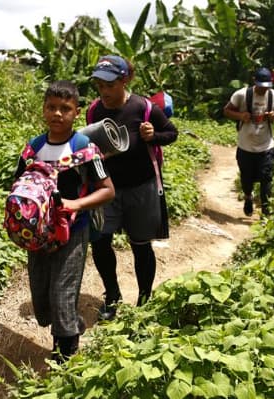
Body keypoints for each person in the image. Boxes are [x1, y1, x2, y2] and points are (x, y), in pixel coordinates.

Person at [12, 80, 115, 362]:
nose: (58, 114)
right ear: (44, 110)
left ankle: (65, 356)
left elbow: (108, 190)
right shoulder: (33, 148)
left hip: (73, 232)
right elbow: (18, 186)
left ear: (77, 112)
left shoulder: (83, 147)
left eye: (65, 109)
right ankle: (67, 329)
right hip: (38, 237)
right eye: (52, 107)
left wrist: (74, 205)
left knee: (62, 294)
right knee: (42, 298)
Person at [86, 55, 178, 321]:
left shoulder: (145, 108)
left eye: (110, 85)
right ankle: (112, 296)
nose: (104, 92)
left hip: (142, 186)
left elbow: (172, 133)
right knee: (101, 241)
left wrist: (154, 136)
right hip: (107, 187)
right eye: (100, 86)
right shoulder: (94, 110)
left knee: (140, 245)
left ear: (125, 80)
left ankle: (144, 300)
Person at [223, 67, 274, 217]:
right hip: (245, 146)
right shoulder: (241, 95)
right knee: (246, 178)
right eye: (260, 86)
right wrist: (241, 116)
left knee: (266, 177)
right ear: (254, 82)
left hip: (266, 145)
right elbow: (226, 111)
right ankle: (248, 197)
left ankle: (266, 211)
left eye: (266, 87)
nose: (263, 90)